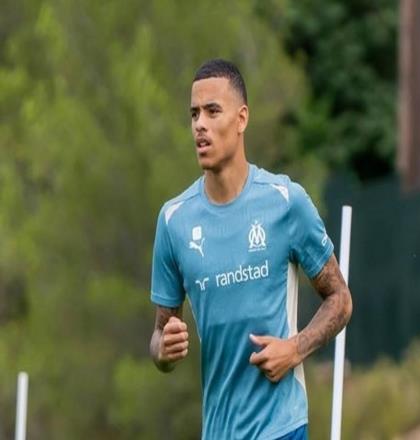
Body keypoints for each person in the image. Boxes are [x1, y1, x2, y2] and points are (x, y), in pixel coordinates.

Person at [149, 58, 352, 440]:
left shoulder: (285, 201)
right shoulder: (174, 220)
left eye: (212, 111)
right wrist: (163, 350)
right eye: (194, 114)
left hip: (282, 427)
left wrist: (295, 349)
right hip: (218, 431)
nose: (200, 125)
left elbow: (340, 299)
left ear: (241, 118)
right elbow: (160, 336)